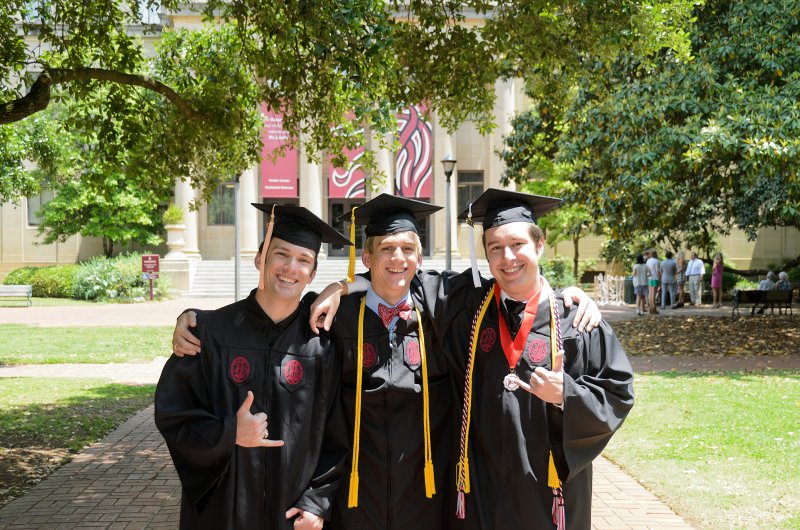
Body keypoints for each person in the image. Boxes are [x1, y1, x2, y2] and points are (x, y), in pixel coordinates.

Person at [173, 195, 603, 530]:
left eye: (407, 249)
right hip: (357, 496)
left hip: (427, 494)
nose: (397, 259)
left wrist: (566, 295)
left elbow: (517, 282)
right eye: (386, 249)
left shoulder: (446, 308)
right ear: (367, 257)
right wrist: (196, 322)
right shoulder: (333, 318)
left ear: (419, 259)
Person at [441, 189, 634, 530]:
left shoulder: (577, 320)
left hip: (549, 492)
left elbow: (618, 393)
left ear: (539, 244)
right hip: (483, 488)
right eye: (495, 248)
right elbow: (401, 280)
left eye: (517, 244)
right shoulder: (469, 309)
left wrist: (567, 395)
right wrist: (344, 288)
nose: (507, 257)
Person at [154, 204, 352, 530]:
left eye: (303, 260)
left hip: (293, 514)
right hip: (224, 510)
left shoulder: (322, 345)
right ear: (260, 259)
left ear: (313, 274)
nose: (291, 267)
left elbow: (337, 432)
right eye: (281, 254)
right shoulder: (210, 333)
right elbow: (174, 414)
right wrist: (229, 432)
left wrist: (317, 501)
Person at [645, 249, 661, 314]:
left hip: (649, 278)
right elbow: (658, 271)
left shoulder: (648, 261)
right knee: (654, 294)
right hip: (655, 278)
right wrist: (660, 279)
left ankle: (650, 307)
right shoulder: (657, 261)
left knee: (650, 293)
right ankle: (653, 308)